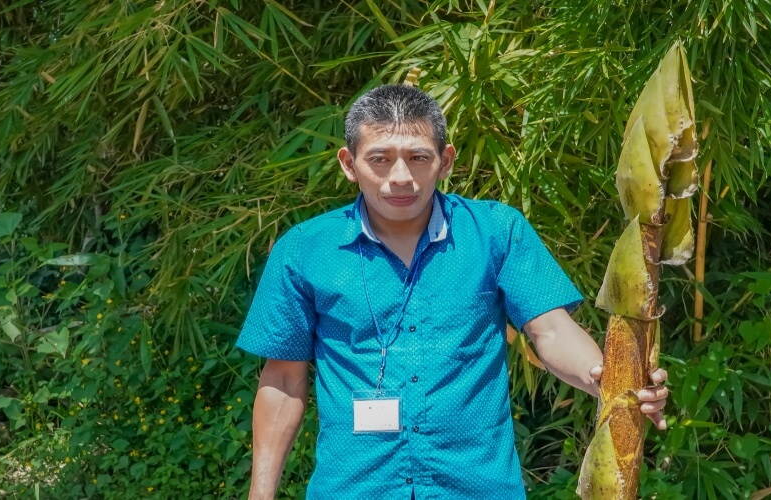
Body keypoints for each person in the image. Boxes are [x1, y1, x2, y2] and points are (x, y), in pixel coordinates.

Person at [236, 84, 669, 499]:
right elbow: (283, 377)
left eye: (418, 157)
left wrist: (610, 380)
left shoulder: (497, 232)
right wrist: (260, 494)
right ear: (349, 164)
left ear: (445, 161)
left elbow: (551, 331)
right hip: (355, 487)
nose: (400, 177)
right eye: (380, 159)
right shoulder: (305, 250)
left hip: (476, 486)